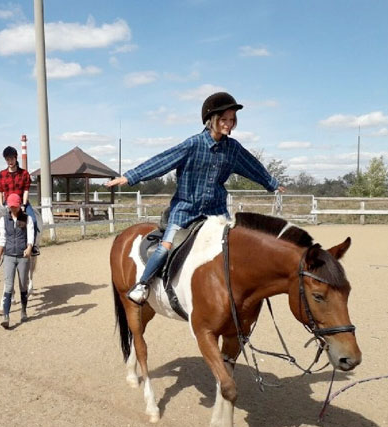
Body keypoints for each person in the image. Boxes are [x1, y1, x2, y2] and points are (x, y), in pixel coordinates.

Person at [105, 91, 286, 305]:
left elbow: (252, 167)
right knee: (166, 246)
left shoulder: (233, 149)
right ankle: (143, 284)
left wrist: (272, 184)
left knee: (235, 245)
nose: (228, 124)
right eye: (224, 119)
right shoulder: (193, 144)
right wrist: (130, 176)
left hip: (217, 211)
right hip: (185, 210)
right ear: (211, 120)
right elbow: (162, 161)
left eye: (232, 120)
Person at [0, 193, 34, 329]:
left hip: (23, 256)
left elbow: (30, 235)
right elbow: (3, 239)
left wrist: (29, 248)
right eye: (11, 207)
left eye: (15, 207)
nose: (13, 209)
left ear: (19, 206)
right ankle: (6, 316)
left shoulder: (27, 219)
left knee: (23, 285)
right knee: (9, 286)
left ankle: (23, 311)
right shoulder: (4, 220)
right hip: (9, 256)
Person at [0, 146, 39, 255]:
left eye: (11, 159)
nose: (10, 161)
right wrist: (2, 205)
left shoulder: (24, 174)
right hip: (8, 203)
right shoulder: (2, 174)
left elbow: (26, 190)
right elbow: (0, 191)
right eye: (7, 159)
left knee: (33, 221)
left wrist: (24, 204)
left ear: (16, 158)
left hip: (22, 203)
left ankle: (32, 246)